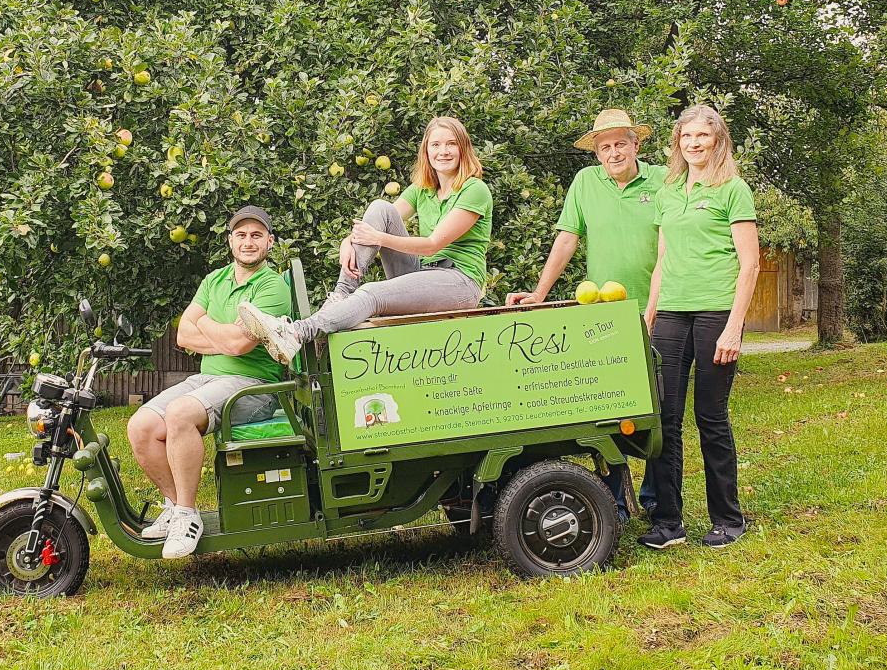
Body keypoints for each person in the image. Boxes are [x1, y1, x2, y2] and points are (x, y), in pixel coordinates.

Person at [506, 108, 666, 520]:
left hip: (660, 307)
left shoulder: (664, 181)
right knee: (607, 409)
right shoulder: (584, 183)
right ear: (596, 152)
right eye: (604, 146)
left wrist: (653, 308)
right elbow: (566, 239)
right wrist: (540, 293)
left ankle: (655, 497)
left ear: (637, 144)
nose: (613, 153)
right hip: (604, 316)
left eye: (620, 143)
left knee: (658, 407)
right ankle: (614, 502)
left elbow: (673, 245)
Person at [238, 116, 492, 363]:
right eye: (435, 145)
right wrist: (349, 240)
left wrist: (379, 238)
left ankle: (297, 333)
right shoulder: (422, 189)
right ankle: (341, 294)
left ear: (463, 149)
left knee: (372, 293)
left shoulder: (474, 190)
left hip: (459, 282)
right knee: (381, 207)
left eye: (451, 144)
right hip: (423, 274)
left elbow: (433, 245)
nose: (443, 151)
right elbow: (382, 220)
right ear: (426, 152)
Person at [126, 206, 291, 559]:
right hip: (207, 377)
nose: (249, 242)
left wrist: (206, 325)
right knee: (141, 425)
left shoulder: (273, 286)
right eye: (242, 235)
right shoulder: (214, 280)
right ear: (230, 241)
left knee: (181, 414)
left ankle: (187, 515)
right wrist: (220, 332)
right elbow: (183, 335)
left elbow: (238, 345)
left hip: (252, 384)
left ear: (270, 242)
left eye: (257, 235)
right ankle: (173, 506)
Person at [640, 105, 760, 550]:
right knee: (665, 418)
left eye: (702, 137)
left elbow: (750, 265)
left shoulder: (733, 189)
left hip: (715, 313)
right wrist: (649, 316)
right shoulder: (669, 191)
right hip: (671, 313)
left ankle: (728, 520)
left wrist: (734, 328)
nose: (693, 144)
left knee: (710, 417)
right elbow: (662, 260)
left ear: (718, 141)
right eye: (686, 137)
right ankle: (669, 523)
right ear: (678, 143)